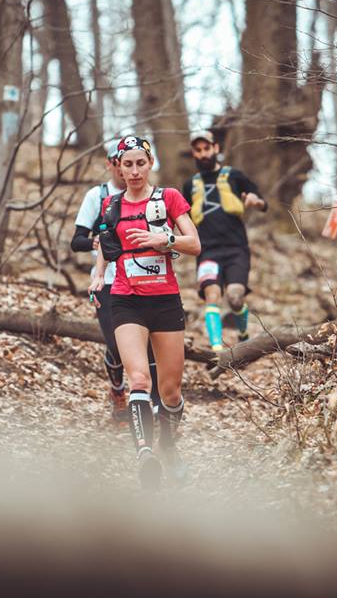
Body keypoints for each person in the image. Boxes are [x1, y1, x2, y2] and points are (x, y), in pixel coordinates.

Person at [89, 135, 200, 489]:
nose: (134, 171)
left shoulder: (167, 198)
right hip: (125, 299)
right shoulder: (110, 205)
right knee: (139, 380)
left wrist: (162, 240)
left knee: (170, 392)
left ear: (150, 163)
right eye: (127, 164)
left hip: (165, 301)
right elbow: (107, 248)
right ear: (118, 168)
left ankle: (168, 444)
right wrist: (98, 273)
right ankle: (145, 455)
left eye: (140, 163)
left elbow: (195, 244)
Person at [71, 142, 160, 424]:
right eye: (120, 162)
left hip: (143, 278)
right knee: (115, 345)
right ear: (113, 164)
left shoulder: (151, 196)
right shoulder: (98, 196)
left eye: (137, 163)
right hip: (107, 281)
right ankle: (117, 390)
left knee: (148, 345)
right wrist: (96, 241)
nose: (128, 170)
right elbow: (76, 240)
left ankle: (155, 407)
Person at [181, 130, 267, 351]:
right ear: (194, 153)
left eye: (206, 148)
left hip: (236, 248)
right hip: (207, 251)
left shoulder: (234, 176)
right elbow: (182, 219)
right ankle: (217, 351)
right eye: (198, 150)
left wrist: (255, 202)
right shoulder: (190, 185)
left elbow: (261, 201)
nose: (203, 154)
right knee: (212, 295)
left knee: (235, 297)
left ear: (216, 148)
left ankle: (244, 336)